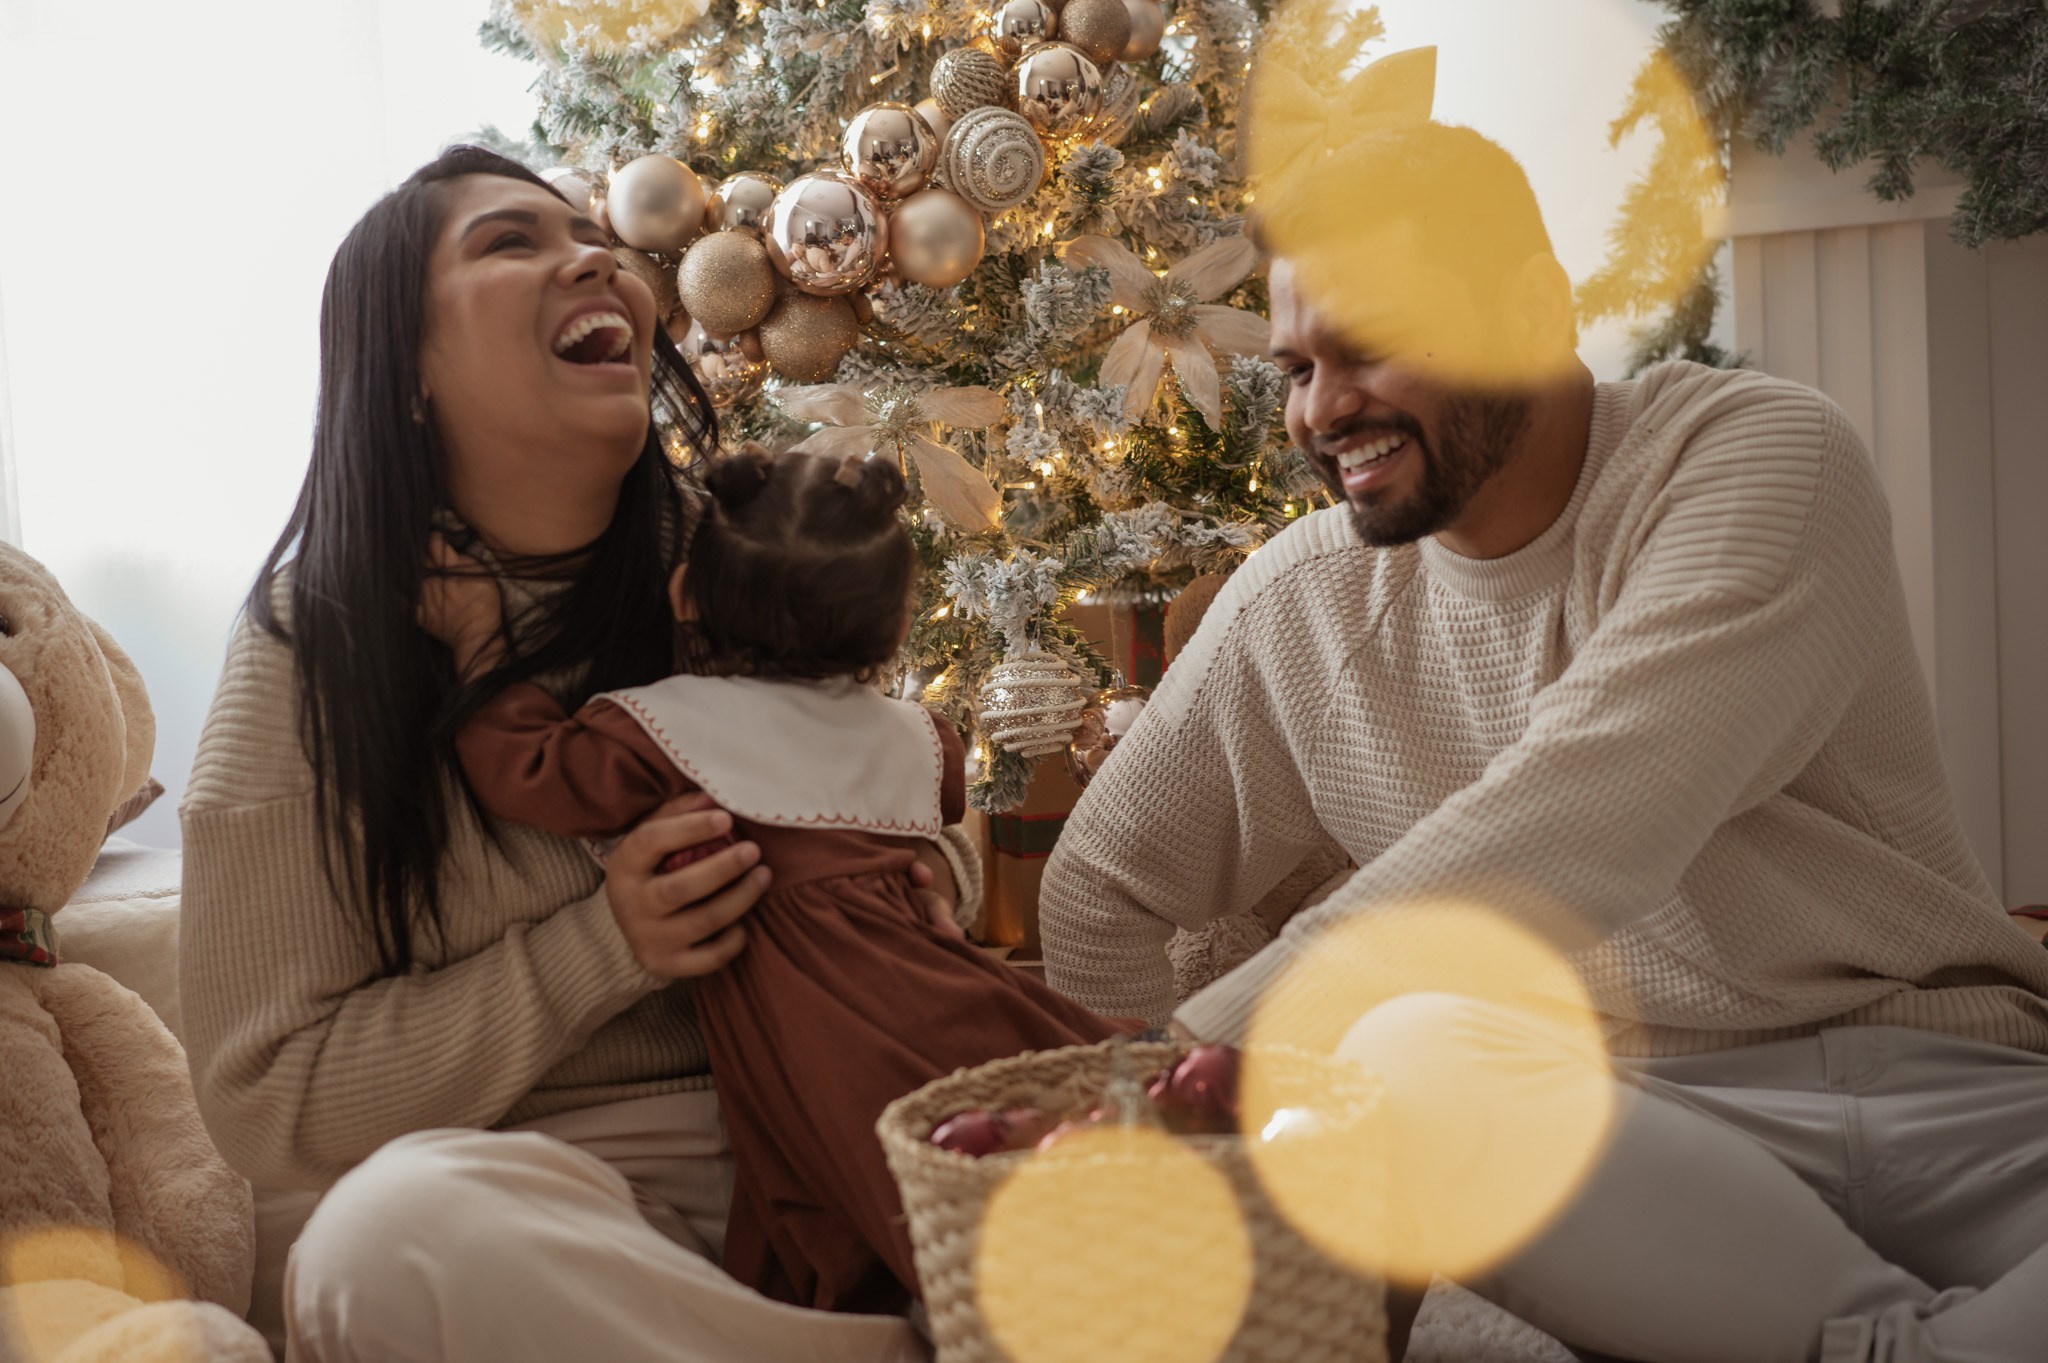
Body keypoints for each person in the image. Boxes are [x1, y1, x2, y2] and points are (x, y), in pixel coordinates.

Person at [1039, 120, 2048, 1362]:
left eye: (1372, 348)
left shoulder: (1757, 456)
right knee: (1400, 1047)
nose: (1322, 409)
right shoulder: (1300, 603)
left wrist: (1208, 1054)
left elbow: (1581, 822)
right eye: (1297, 365)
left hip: (1944, 1093)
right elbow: (1098, 896)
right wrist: (1227, 1135)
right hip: (1621, 1144)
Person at [179, 146, 974, 1363]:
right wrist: (601, 947)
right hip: (554, 1186)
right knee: (385, 1239)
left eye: (585, 234)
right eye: (511, 243)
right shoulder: (314, 646)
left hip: (830, 1119)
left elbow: (891, 790)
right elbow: (269, 1092)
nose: (591, 257)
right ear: (405, 373)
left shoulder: (743, 554)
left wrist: (917, 885)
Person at [417, 444, 1124, 1317]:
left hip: (819, 1027)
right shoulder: (922, 735)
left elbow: (527, 768)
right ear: (897, 629)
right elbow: (935, 822)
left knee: (877, 1193)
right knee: (1022, 1131)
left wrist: (482, 640)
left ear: (683, 599)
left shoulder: (660, 735)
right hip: (946, 984)